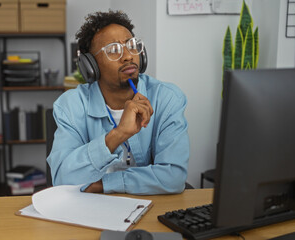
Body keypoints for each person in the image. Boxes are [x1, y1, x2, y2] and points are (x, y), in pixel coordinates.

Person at [47, 10, 189, 195]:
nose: (128, 56)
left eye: (131, 45)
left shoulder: (167, 98)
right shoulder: (70, 106)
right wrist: (118, 134)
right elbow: (62, 179)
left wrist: (106, 184)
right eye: (114, 50)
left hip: (149, 205)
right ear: (91, 66)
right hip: (89, 208)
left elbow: (173, 176)